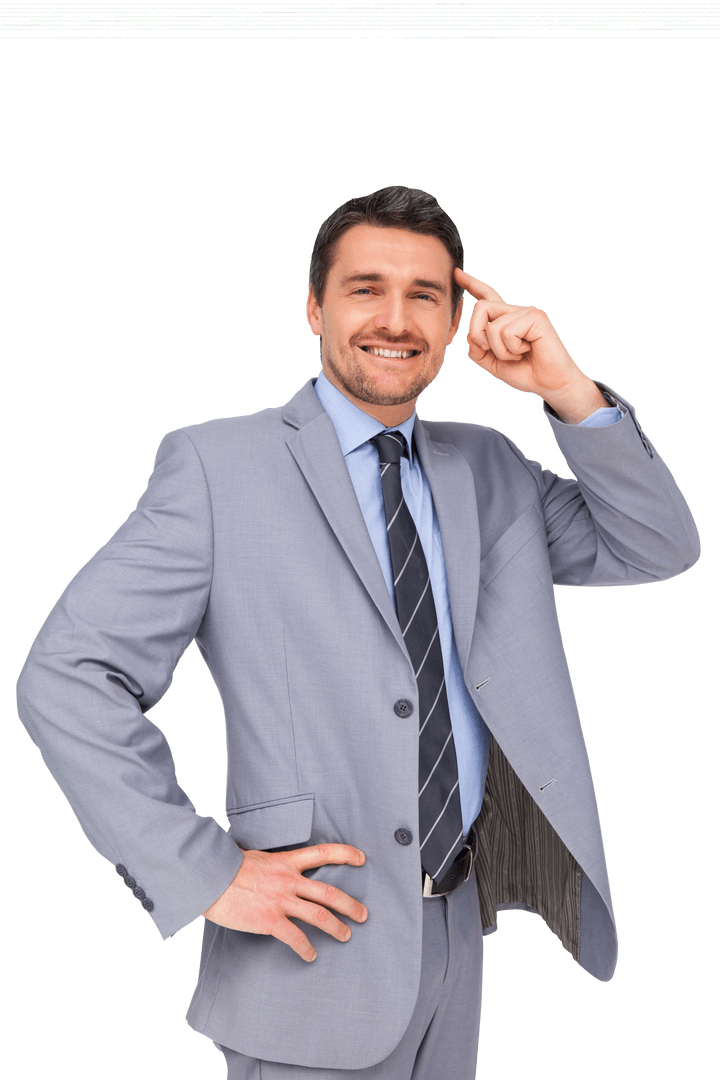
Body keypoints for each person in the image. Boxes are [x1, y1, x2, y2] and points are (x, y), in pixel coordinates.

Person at [15, 185, 701, 1079]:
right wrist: (203, 873)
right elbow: (68, 674)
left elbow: (656, 543)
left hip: (458, 929)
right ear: (315, 306)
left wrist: (566, 391)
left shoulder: (489, 465)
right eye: (365, 288)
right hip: (312, 940)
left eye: (425, 295)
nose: (396, 319)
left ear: (453, 322)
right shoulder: (217, 467)